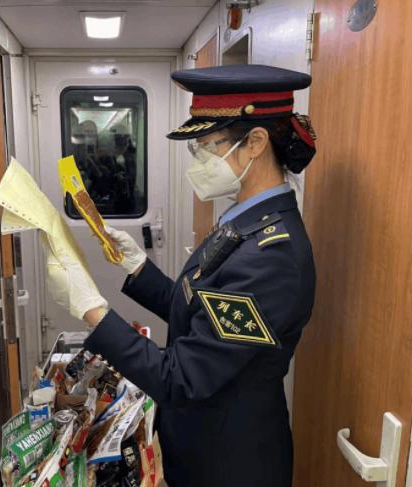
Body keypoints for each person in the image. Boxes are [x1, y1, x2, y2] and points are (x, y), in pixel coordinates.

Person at [43, 64, 317, 486]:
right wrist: (138, 267)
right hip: (203, 443)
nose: (198, 160)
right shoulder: (246, 219)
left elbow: (182, 378)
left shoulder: (272, 256)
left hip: (231, 464)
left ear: (255, 143)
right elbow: (201, 313)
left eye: (206, 146)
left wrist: (92, 309)